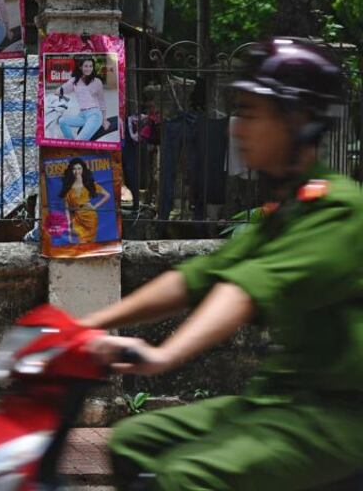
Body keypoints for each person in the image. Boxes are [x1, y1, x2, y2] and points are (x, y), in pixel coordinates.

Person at [79, 38, 363, 491]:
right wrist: (90, 323)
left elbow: (244, 288)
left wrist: (164, 355)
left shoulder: (339, 211)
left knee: (187, 477)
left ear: (300, 122)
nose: (237, 128)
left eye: (253, 114)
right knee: (133, 439)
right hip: (276, 402)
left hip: (335, 419)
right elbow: (199, 278)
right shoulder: (288, 208)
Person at [59, 158, 111, 244]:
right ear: (71, 170)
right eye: (74, 169)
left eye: (79, 168)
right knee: (80, 242)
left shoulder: (89, 184)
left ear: (83, 170)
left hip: (90, 217)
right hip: (77, 217)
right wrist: (69, 225)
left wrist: (94, 207)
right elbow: (66, 209)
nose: (77, 171)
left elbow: (107, 195)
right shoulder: (67, 188)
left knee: (91, 242)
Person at [57, 56, 108, 141]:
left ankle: (75, 145)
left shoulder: (97, 81)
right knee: (62, 121)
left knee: (80, 140)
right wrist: (59, 91)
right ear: (80, 67)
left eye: (91, 66)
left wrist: (104, 119)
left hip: (94, 115)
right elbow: (63, 89)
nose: (88, 69)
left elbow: (102, 101)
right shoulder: (74, 81)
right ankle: (71, 142)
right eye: (86, 66)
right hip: (82, 115)